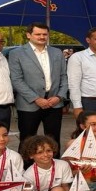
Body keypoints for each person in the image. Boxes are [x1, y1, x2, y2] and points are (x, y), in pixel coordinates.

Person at [9, 22, 68, 150]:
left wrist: (59, 97)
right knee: (27, 140)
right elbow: (16, 80)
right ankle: (25, 163)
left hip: (54, 103)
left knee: (54, 140)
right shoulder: (17, 53)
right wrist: (36, 99)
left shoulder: (57, 52)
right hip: (29, 104)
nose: (42, 37)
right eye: (38, 34)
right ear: (28, 35)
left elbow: (64, 77)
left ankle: (54, 162)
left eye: (44, 34)